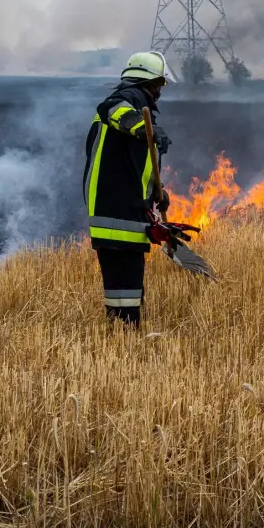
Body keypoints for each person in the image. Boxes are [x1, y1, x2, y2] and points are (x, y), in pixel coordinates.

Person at [83, 51, 174, 326]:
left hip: (125, 207)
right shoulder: (128, 101)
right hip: (115, 212)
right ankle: (124, 330)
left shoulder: (137, 106)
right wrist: (144, 128)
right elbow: (110, 108)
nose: (160, 91)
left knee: (127, 281)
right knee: (123, 281)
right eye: (161, 84)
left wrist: (157, 192)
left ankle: (124, 329)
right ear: (153, 82)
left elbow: (135, 167)